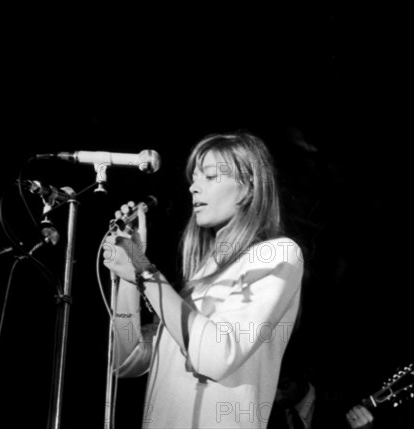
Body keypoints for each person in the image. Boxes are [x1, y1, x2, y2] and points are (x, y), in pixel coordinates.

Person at [102, 131, 304, 428]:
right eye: (193, 179)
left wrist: (145, 272)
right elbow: (126, 361)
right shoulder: (194, 284)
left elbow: (216, 356)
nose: (194, 188)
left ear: (248, 188)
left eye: (209, 176)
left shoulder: (278, 254)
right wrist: (130, 278)